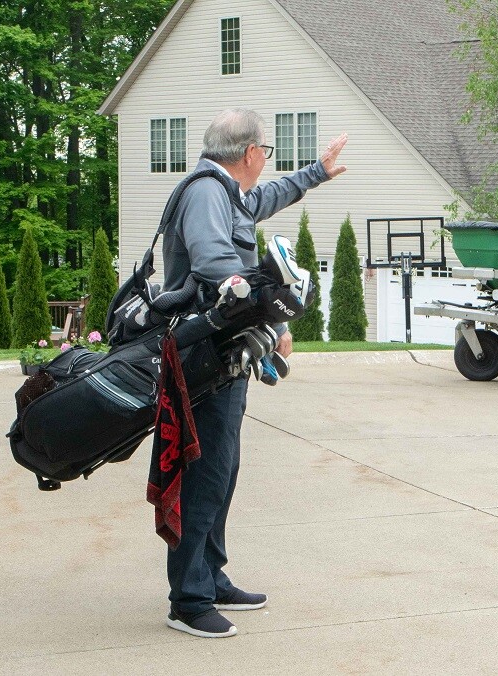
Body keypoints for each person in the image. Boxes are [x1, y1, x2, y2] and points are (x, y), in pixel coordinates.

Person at [160, 108, 347, 639]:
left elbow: (264, 201)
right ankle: (188, 599)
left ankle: (211, 575)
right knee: (204, 471)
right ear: (249, 153)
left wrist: (316, 172)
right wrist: (272, 311)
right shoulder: (205, 193)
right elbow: (216, 263)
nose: (265, 161)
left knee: (223, 467)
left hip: (225, 356)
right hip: (202, 358)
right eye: (264, 151)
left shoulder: (228, 192)